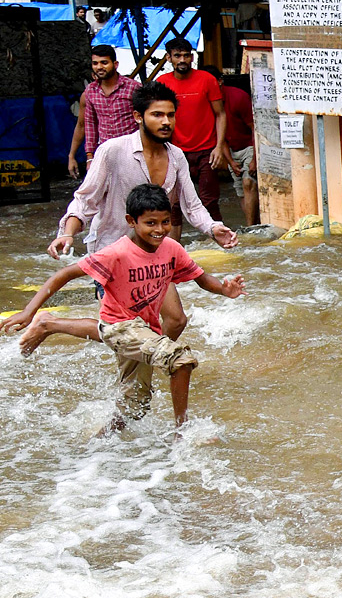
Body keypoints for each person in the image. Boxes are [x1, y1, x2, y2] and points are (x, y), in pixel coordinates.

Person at [1, 185, 245, 434]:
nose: (159, 230)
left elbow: (201, 278)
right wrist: (27, 312)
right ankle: (182, 432)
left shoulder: (171, 249)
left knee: (134, 407)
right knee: (180, 359)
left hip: (145, 329)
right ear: (131, 221)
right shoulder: (116, 253)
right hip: (119, 327)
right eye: (150, 223)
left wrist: (224, 290)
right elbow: (65, 273)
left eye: (165, 222)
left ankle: (98, 442)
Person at [20, 82, 237, 357]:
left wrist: (214, 228)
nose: (166, 121)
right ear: (138, 116)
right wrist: (68, 233)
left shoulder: (176, 156)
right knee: (122, 330)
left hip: (153, 252)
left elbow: (192, 205)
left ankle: (145, 359)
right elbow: (85, 200)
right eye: (157, 114)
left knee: (176, 320)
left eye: (170, 115)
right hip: (114, 251)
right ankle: (50, 323)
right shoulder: (113, 151)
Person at [157, 38, 227, 237]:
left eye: (186, 55)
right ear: (168, 57)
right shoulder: (163, 83)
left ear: (192, 57)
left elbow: (220, 114)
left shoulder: (207, 79)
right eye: (177, 55)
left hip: (207, 150)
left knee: (209, 201)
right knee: (173, 203)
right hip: (175, 151)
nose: (182, 60)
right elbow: (157, 117)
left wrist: (219, 147)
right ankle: (173, 252)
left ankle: (221, 244)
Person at [67, 45, 141, 179]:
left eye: (104, 62)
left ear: (115, 64)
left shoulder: (133, 88)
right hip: (105, 153)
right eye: (95, 63)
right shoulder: (90, 91)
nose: (99, 67)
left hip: (132, 152)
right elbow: (87, 124)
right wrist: (87, 157)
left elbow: (145, 121)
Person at [204, 66, 258, 225]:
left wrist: (255, 158)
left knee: (249, 183)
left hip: (248, 144)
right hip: (230, 148)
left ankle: (250, 227)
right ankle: (253, 224)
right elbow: (219, 137)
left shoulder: (238, 97)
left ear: (220, 81)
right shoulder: (207, 102)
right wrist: (230, 161)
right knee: (241, 191)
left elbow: (254, 128)